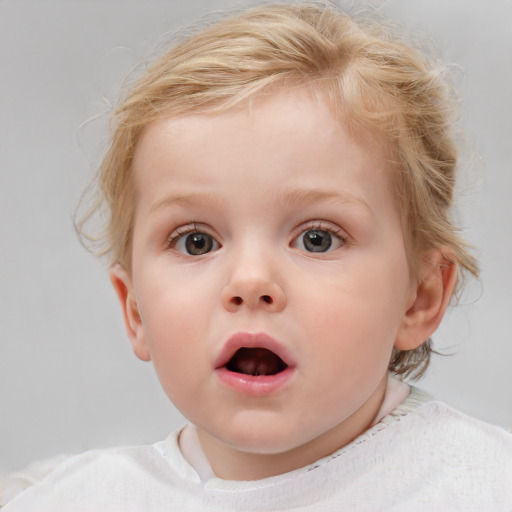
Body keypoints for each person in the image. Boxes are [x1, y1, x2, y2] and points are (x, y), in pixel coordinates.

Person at [3, 2, 511, 510]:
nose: (250, 281)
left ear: (418, 298)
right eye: (196, 241)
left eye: (318, 239)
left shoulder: (478, 486)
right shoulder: (78, 499)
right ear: (135, 309)